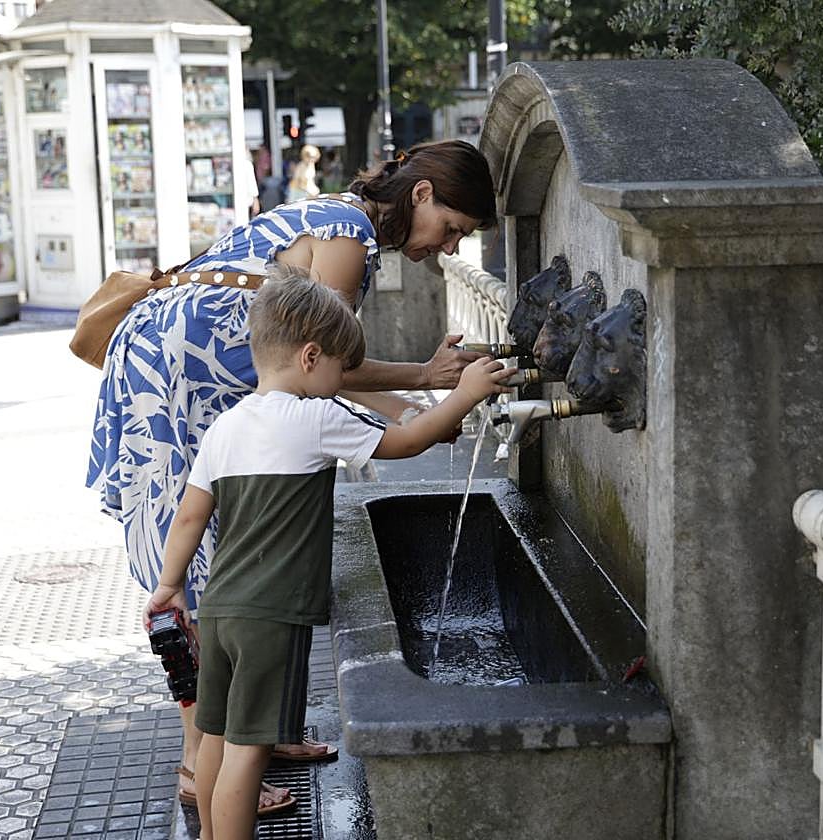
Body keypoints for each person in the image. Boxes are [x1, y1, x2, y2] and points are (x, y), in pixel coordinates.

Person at [86, 138, 497, 812]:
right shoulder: (349, 235)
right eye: (451, 228)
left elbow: (322, 370)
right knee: (200, 572)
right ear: (421, 195)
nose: (449, 248)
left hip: (192, 376)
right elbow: (323, 362)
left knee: (218, 557)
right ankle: (201, 765)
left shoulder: (345, 220)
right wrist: (424, 386)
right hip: (172, 380)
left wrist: (420, 394)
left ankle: (253, 735)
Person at [142, 272, 514, 839]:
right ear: (310, 356)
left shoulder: (225, 427)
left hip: (218, 608)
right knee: (250, 749)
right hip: (274, 613)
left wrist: (169, 586)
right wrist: (463, 395)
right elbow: (407, 442)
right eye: (340, 368)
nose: (343, 380)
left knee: (215, 738)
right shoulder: (317, 418)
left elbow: (190, 517)